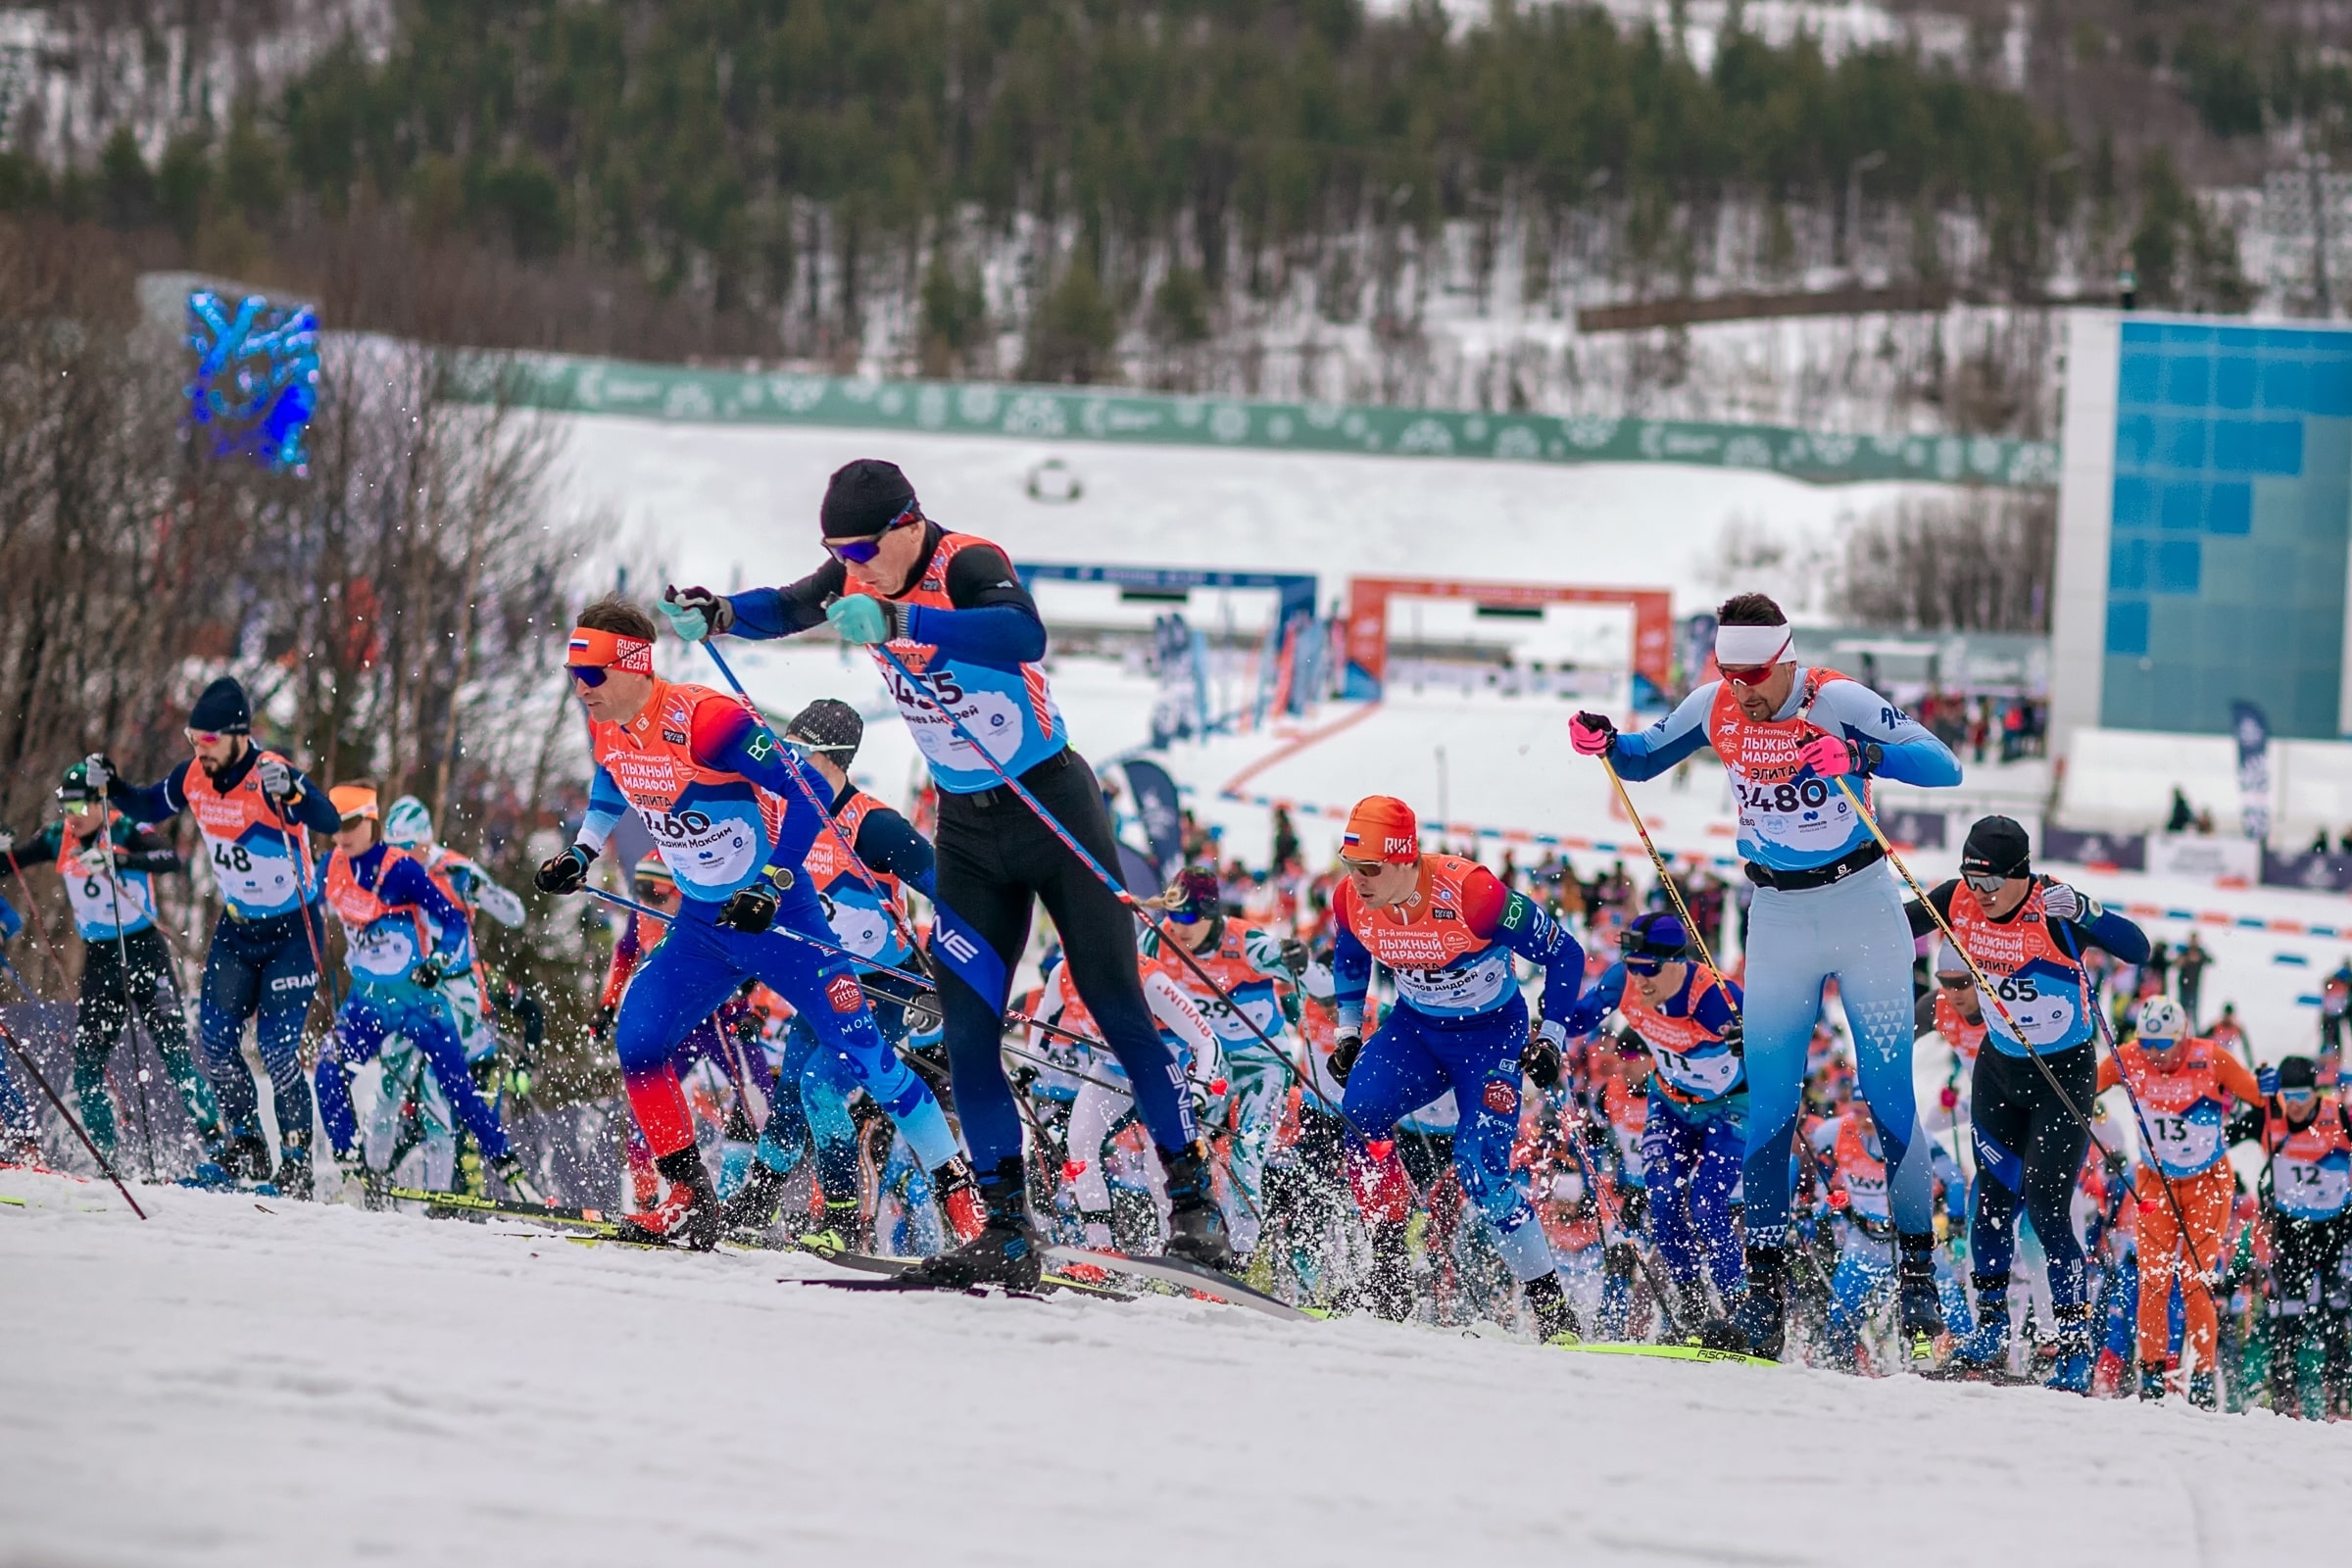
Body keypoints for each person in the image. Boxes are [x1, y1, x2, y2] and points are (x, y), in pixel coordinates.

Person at [657, 459, 1224, 1283]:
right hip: (967, 832)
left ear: (907, 525)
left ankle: (1193, 1201)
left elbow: (1022, 633)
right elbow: (784, 605)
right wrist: (720, 613)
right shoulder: (855, 575)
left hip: (1052, 805)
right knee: (967, 1034)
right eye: (835, 552)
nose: (848, 568)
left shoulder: (965, 561)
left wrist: (899, 625)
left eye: (860, 549)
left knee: (1114, 1004)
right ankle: (1005, 1229)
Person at [1572, 592, 1963, 1358]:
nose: (1743, 688)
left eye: (1755, 672)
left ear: (1785, 659)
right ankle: (1763, 1307)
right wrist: (1605, 739)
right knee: (1769, 1110)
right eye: (1729, 671)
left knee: (1889, 1099)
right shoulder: (1716, 705)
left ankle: (1919, 1293)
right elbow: (1645, 758)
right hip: (1779, 917)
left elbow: (1944, 766)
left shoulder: (1837, 699)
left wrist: (1859, 755)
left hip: (1863, 909)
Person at [536, 596, 966, 1250]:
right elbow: (609, 783)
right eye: (575, 674)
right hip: (705, 928)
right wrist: (582, 853)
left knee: (868, 1063)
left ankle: (964, 1201)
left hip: (779, 924)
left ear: (631, 665)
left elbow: (806, 788)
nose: (581, 687)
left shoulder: (705, 720)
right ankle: (687, 1200)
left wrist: (774, 879)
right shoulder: (610, 729)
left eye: (591, 673)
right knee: (639, 1040)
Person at [718, 698, 984, 1247]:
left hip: (882, 986)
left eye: (801, 755)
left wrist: (958, 968)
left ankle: (842, 1219)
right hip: (820, 981)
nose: (789, 766)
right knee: (790, 1094)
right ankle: (758, 1201)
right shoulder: (784, 814)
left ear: (834, 759)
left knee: (819, 1088)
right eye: (786, 753)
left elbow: (953, 894)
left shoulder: (875, 827)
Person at [1326, 793, 1587, 1342]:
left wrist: (1553, 1038)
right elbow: (1350, 952)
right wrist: (1349, 1030)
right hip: (1415, 1031)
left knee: (1481, 1172)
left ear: (1404, 860)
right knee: (1360, 1114)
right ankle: (1391, 1273)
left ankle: (1552, 1311)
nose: (1359, 880)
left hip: (1490, 1037)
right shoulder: (1350, 899)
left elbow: (1566, 954)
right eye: (1350, 866)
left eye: (1370, 868)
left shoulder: (1474, 894)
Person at [1907, 815, 2150, 1392]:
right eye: (1973, 880)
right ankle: (1990, 1330)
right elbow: (1898, 918)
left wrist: (2088, 913)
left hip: (2062, 1076)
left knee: (2044, 1207)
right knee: (1989, 1201)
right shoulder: (1959, 898)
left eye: (1993, 883)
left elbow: (2138, 949)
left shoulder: (2054, 908)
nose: (1981, 894)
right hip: (1999, 1069)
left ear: (2023, 876)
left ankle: (2070, 1342)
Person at [87, 678, 343, 1191]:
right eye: (192, 739)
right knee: (217, 1042)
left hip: (293, 932)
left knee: (275, 1049)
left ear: (237, 735)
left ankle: (295, 1162)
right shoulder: (193, 778)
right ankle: (245, 1147)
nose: (198, 750)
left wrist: (294, 792)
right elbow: (145, 806)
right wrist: (113, 785)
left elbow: (328, 818)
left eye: (207, 741)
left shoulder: (271, 773)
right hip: (238, 928)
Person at [310, 783, 534, 1203]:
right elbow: (305, 895)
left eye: (413, 846)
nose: (407, 853)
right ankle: (359, 1177)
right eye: (401, 846)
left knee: (451, 1091)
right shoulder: (338, 864)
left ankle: (507, 1174)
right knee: (362, 1084)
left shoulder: (437, 869)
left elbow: (493, 918)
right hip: (370, 1001)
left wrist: (479, 894)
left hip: (434, 995)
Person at [0, 761, 223, 1172]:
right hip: (101, 961)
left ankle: (220, 1148)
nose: (74, 816)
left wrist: (118, 860)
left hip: (143, 951)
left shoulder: (125, 827)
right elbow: (14, 862)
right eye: (67, 806)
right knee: (87, 1065)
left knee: (175, 1057)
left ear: (101, 804)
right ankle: (109, 1159)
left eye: (82, 806)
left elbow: (169, 858)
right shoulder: (58, 837)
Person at [1557, 910, 1747, 1321]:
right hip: (1671, 1103)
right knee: (1661, 1199)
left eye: (1650, 970)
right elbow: (1575, 1020)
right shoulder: (1623, 981)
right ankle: (1694, 1306)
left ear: (1677, 962)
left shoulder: (1714, 996)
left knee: (1708, 1205)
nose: (1639, 980)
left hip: (1729, 1108)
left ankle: (1739, 1308)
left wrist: (1754, 1039)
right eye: (1633, 968)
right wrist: (1546, 1015)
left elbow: (1781, 1045)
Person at [2098, 996, 2263, 1407]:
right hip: (2155, 1183)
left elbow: (2259, 1096)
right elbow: (2080, 1084)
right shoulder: (2129, 1058)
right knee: (2153, 1280)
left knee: (2194, 1281)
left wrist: (2271, 1087)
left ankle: (2203, 1377)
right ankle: (2153, 1373)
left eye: (2164, 1045)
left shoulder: (2212, 1058)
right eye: (2148, 1043)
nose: (2156, 1054)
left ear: (2183, 1037)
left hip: (2208, 1181)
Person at [1141, 865, 1308, 1255]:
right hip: (1212, 1060)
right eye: (1171, 913)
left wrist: (1296, 956)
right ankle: (1192, 1232)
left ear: (1210, 912)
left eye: (1186, 916)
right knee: (1179, 1141)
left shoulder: (1244, 939)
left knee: (1247, 1153)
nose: (1177, 925)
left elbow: (1287, 960)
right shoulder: (1156, 939)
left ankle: (1245, 1253)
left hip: (1263, 1062)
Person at [2246, 1056, 2352, 1417]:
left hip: (2337, 1225)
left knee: (2338, 1309)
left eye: (2301, 1095)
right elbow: (2220, 1132)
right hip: (2291, 1228)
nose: (2293, 1103)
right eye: (2287, 1095)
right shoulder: (2270, 1114)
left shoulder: (2339, 1116)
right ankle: (2283, 1390)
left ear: (2315, 1091)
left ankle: (2338, 1392)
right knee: (2287, 1309)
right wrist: (2251, 1090)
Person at [2175, 933, 2209, 1030]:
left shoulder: (2200, 952)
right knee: (2181, 1011)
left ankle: (2195, 1032)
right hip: (2184, 985)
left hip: (2194, 986)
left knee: (2193, 1013)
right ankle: (2180, 1030)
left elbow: (2211, 960)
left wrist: (2199, 958)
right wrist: (2184, 960)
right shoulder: (2185, 951)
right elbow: (2176, 963)